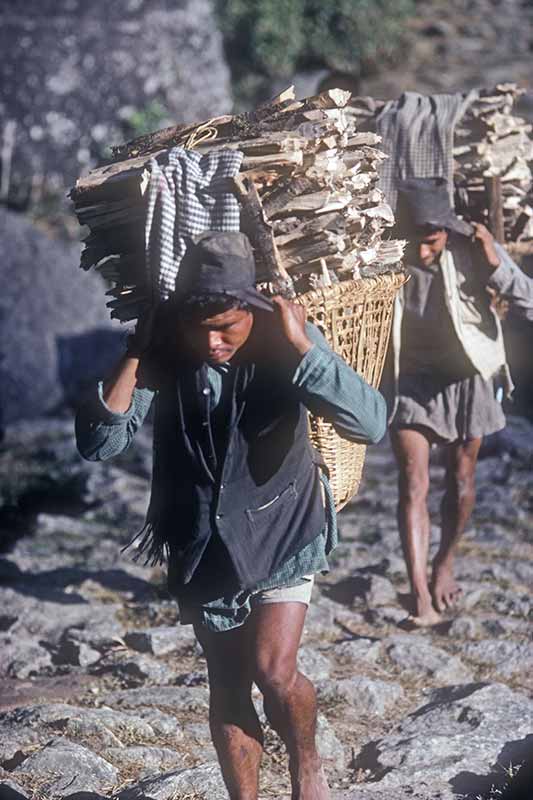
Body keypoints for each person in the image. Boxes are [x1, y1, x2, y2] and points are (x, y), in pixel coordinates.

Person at [75, 231, 387, 800]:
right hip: (200, 537)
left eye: (226, 326)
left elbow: (370, 423)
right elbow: (101, 445)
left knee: (273, 670)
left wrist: (305, 348)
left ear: (250, 307)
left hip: (282, 524)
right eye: (201, 328)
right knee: (227, 684)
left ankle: (306, 759)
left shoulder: (284, 339)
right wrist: (136, 351)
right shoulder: (166, 349)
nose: (213, 341)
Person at [386, 177, 533, 628]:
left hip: (469, 378)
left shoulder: (471, 249)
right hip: (410, 380)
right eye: (415, 241)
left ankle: (444, 563)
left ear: (446, 233)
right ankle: (420, 596)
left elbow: (527, 300)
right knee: (413, 482)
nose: (422, 252)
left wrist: (495, 265)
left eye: (430, 242)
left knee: (462, 477)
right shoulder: (386, 257)